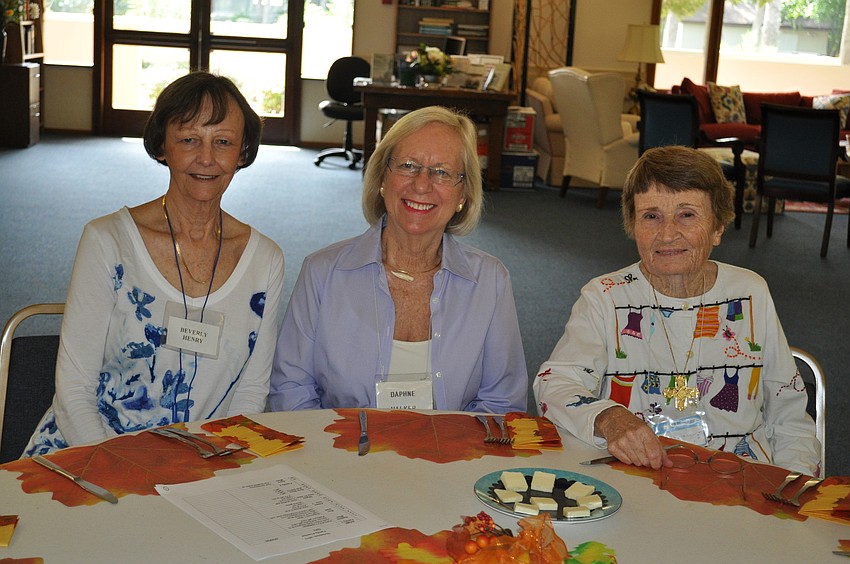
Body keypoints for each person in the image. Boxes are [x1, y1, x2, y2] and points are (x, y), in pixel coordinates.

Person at [24, 72, 284, 456]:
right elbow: (74, 388)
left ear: (242, 152)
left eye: (223, 142)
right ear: (163, 145)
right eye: (189, 140)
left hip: (202, 464)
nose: (207, 158)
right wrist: (124, 472)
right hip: (88, 454)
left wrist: (216, 466)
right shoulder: (108, 241)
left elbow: (250, 390)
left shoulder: (265, 260)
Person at [533, 146, 820, 475]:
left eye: (687, 214)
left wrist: (791, 490)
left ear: (718, 227)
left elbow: (789, 416)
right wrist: (608, 418)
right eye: (651, 216)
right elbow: (553, 384)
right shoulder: (605, 297)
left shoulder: (750, 293)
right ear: (633, 225)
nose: (667, 233)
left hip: (742, 483)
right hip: (640, 479)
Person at [269, 106, 527, 413]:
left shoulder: (490, 280)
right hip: (341, 454)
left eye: (442, 172)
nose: (421, 184)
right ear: (382, 178)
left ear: (463, 195)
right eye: (407, 165)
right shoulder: (323, 272)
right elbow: (291, 392)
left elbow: (501, 403)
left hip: (453, 458)